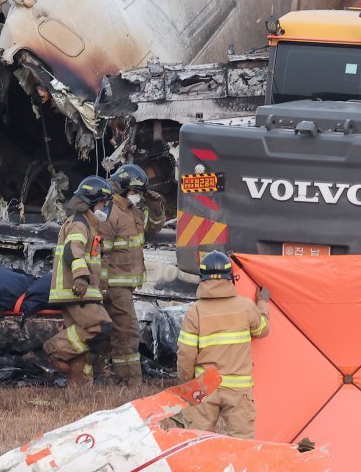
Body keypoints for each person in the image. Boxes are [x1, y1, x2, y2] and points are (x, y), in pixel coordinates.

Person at [176, 250, 270, 438]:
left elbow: (185, 355)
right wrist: (262, 303)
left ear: (201, 278)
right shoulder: (246, 307)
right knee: (243, 445)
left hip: (205, 387)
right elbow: (262, 330)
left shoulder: (195, 312)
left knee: (197, 443)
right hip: (238, 390)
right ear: (231, 278)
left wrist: (187, 384)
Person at [43, 176, 115, 388]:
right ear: (91, 202)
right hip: (75, 290)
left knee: (82, 346)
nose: (105, 207)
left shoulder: (90, 226)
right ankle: (53, 349)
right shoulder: (78, 224)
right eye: (103, 203)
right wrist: (81, 277)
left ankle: (79, 388)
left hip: (83, 291)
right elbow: (72, 251)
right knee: (100, 327)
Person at [99, 163, 166, 383]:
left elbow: (152, 229)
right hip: (115, 285)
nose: (137, 196)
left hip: (125, 284)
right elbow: (102, 252)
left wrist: (156, 208)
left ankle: (124, 378)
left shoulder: (131, 210)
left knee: (124, 332)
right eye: (136, 192)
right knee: (127, 333)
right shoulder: (111, 213)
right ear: (126, 188)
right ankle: (130, 380)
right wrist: (102, 285)